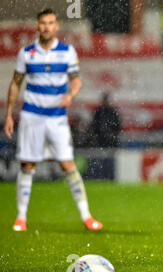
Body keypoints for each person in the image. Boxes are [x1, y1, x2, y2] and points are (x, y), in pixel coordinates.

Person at [2, 8, 103, 232]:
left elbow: (76, 81)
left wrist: (70, 95)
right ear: (37, 26)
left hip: (57, 118)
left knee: (67, 164)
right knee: (28, 164)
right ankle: (21, 218)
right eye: (43, 23)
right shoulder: (26, 53)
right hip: (32, 115)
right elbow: (16, 82)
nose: (47, 27)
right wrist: (9, 113)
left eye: (50, 23)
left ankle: (87, 217)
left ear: (56, 27)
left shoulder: (67, 52)